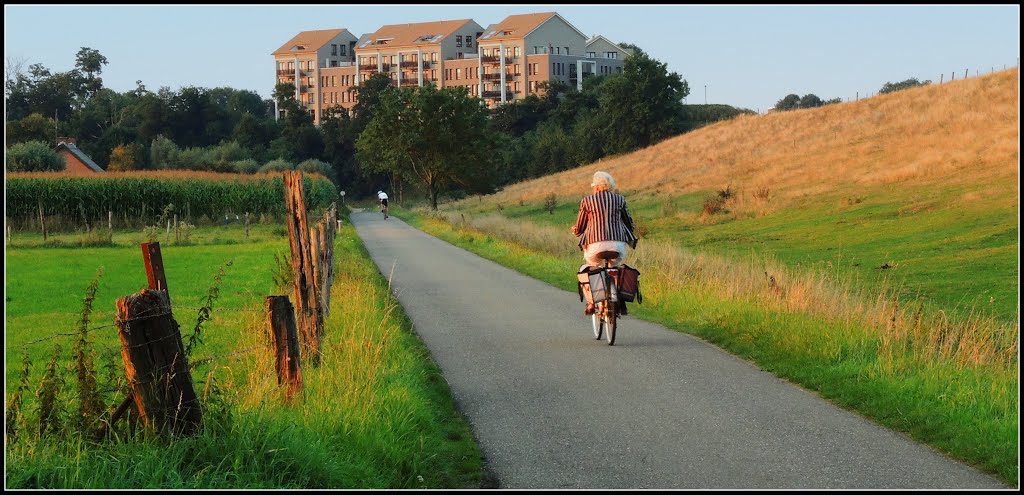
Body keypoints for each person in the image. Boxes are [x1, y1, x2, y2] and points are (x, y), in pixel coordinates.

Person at [571, 171, 639, 315]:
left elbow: (580, 227)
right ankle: (619, 297)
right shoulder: (620, 200)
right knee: (615, 267)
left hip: (595, 246)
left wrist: (576, 231)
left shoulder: (587, 201)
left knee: (591, 268)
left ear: (596, 187)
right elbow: (629, 223)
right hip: (617, 245)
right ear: (610, 186)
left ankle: (591, 302)